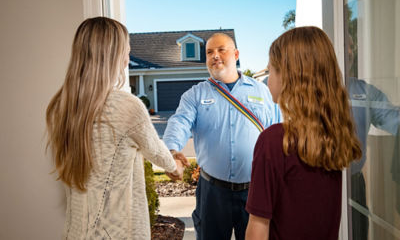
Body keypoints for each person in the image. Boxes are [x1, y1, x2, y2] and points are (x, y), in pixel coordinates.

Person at [45, 17, 183, 240]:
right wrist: (176, 165)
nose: (128, 59)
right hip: (117, 233)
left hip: (75, 232)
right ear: (112, 56)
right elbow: (161, 157)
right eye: (126, 51)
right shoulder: (126, 106)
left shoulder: (60, 106)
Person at [245, 26, 362, 240]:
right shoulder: (334, 137)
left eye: (270, 70)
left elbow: (258, 226)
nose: (268, 80)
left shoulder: (274, 141)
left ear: (288, 77)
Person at [163, 32, 281, 240]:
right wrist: (172, 151)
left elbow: (278, 131)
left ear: (236, 54)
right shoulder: (195, 95)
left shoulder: (262, 92)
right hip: (212, 192)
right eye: (209, 52)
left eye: (221, 50)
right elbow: (179, 122)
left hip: (255, 190)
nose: (215, 55)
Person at [346, 34, 400, 240]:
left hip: (355, 183)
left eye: (352, 47)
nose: (349, 51)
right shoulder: (313, 92)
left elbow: (393, 119)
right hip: (319, 182)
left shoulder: (365, 92)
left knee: (357, 234)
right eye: (345, 46)